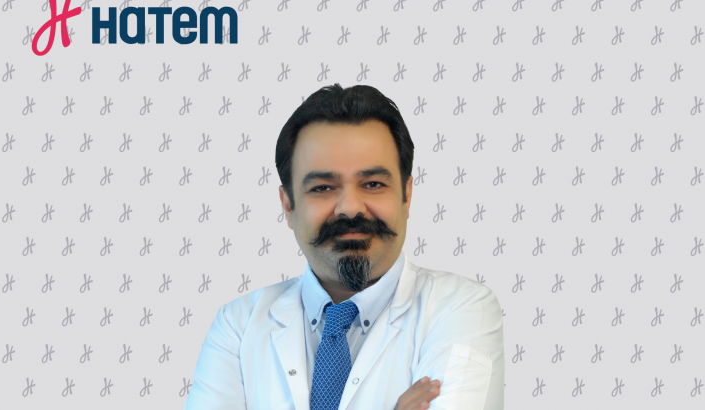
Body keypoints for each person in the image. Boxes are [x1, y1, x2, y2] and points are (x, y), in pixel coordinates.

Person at [184, 83, 504, 410]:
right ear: (288, 205)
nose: (350, 208)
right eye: (323, 187)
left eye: (373, 184)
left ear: (406, 196)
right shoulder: (238, 325)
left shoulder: (463, 308)